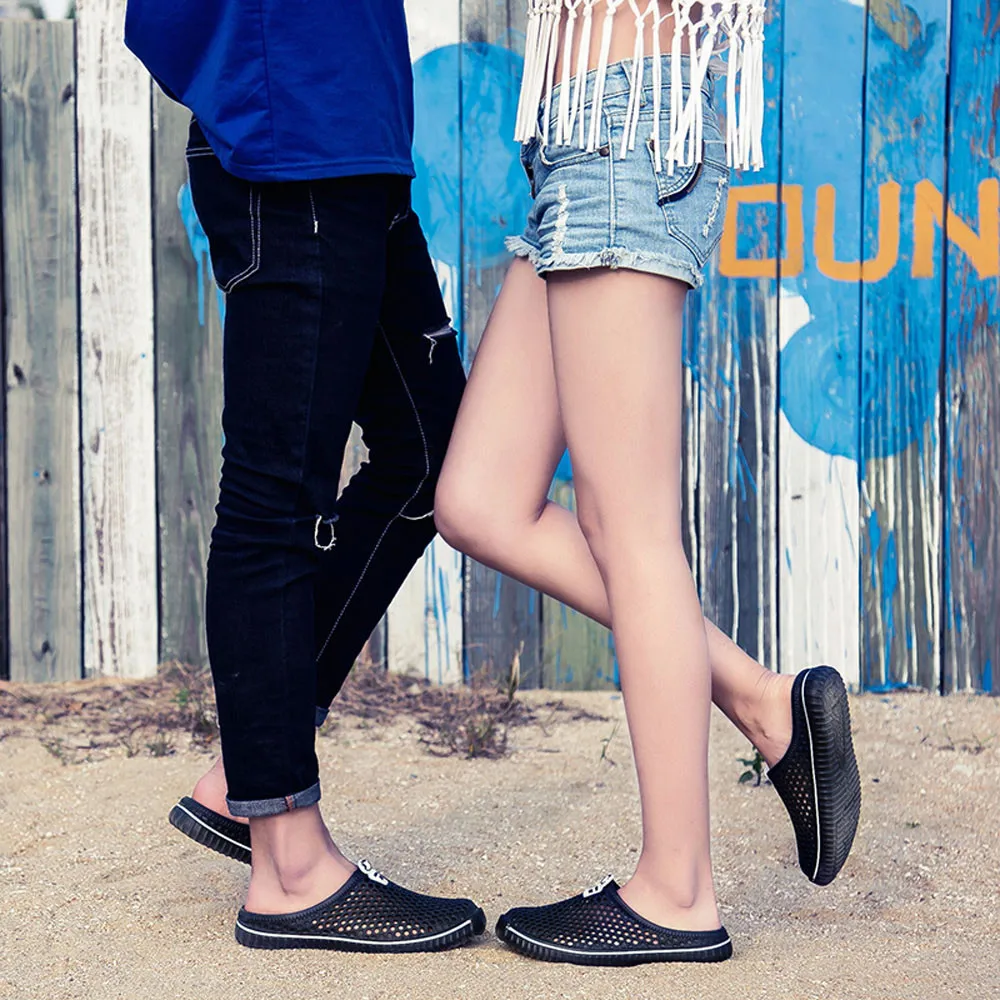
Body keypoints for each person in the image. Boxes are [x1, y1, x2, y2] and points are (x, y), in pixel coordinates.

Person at [434, 0, 861, 966]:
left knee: (629, 530)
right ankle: (765, 701)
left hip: (622, 128)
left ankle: (678, 892)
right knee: (480, 499)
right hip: (582, 136)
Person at [124, 0, 486, 952]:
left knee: (432, 455)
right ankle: (288, 865)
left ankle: (248, 774)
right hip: (293, 135)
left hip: (356, 135)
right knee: (276, 497)